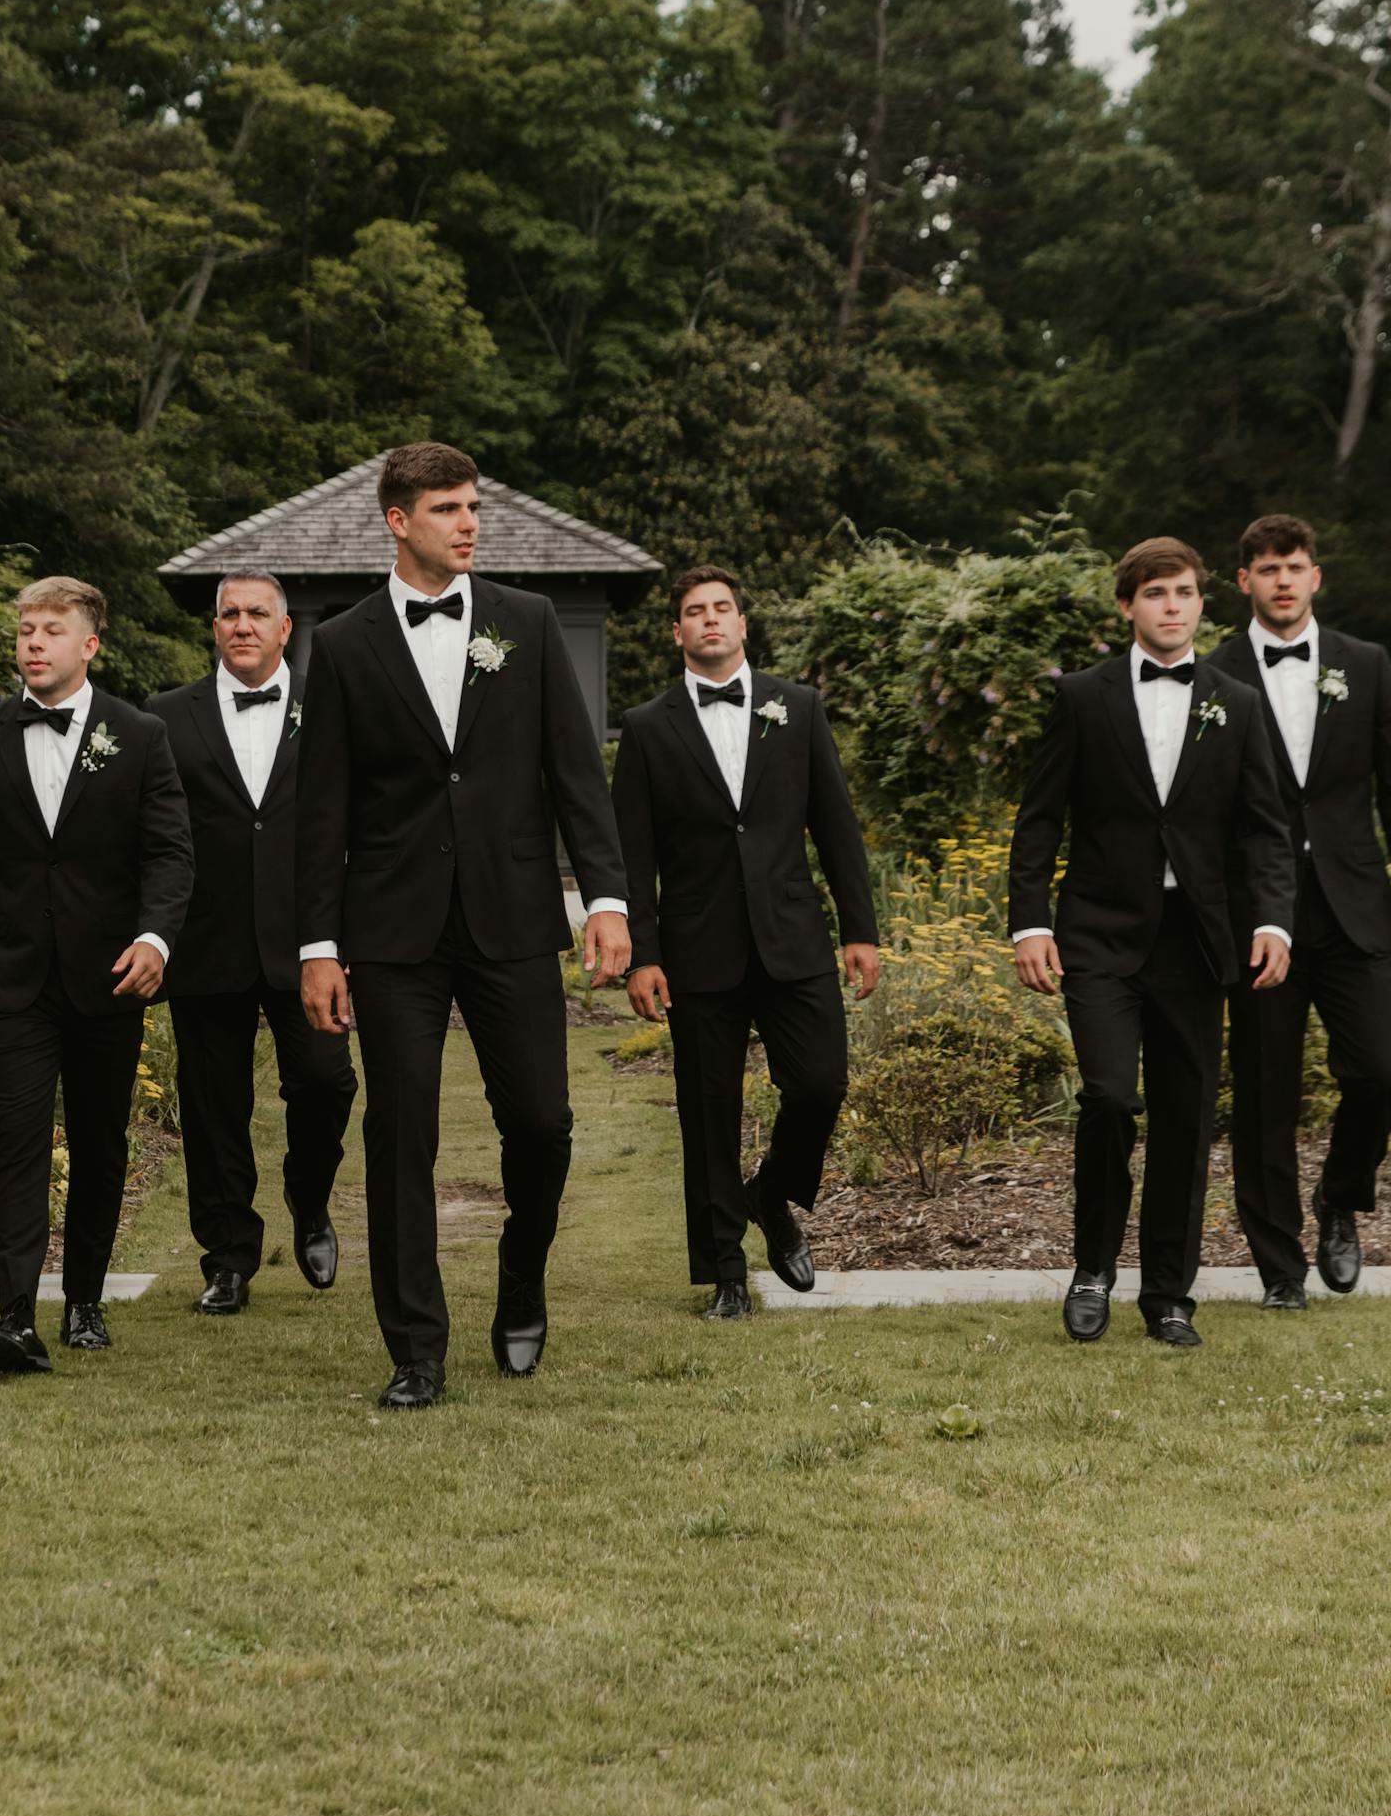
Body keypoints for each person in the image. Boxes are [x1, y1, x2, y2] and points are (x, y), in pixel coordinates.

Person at [295, 442, 631, 1408]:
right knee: (401, 1134)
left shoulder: (524, 623)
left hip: (514, 913)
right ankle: (416, 1349)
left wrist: (605, 896)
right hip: (390, 929)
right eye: (448, 508)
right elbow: (323, 809)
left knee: (543, 1121)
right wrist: (320, 946)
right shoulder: (347, 642)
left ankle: (521, 1278)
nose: (470, 523)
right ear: (398, 521)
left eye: (473, 506)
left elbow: (576, 770)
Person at [1008, 538, 1294, 1349]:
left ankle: (1169, 1293)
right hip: (1098, 933)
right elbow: (1039, 821)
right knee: (1108, 1095)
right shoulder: (1081, 698)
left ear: (1204, 603)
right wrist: (1029, 921)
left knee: (1185, 1117)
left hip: (1200, 943)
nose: (1173, 605)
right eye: (1157, 592)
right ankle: (1092, 1266)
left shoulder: (1236, 702)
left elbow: (1267, 830)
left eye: (1185, 592)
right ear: (1128, 605)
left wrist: (1272, 920)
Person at [0, 577, 192, 1377]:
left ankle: (84, 1301)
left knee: (103, 1145)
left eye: (51, 631)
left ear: (89, 645)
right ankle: (12, 1315)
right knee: (17, 1141)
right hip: (9, 981)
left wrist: (155, 939)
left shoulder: (139, 736)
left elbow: (171, 853)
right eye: (26, 631)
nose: (34, 643)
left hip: (110, 979)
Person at [614, 565, 881, 1318]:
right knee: (708, 1112)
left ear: (741, 623)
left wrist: (860, 929)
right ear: (677, 631)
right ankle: (725, 1272)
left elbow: (836, 827)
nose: (709, 620)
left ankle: (771, 1192)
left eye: (721, 608)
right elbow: (632, 856)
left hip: (793, 937)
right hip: (696, 947)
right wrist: (643, 951)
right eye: (694, 611)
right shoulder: (645, 727)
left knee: (822, 1081)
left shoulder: (798, 708)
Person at [1205, 515, 1391, 1301]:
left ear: (1316, 576)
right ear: (1244, 580)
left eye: (1294, 567)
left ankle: (1341, 1198)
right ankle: (1280, 1268)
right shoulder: (1213, 673)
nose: (1281, 580)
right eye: (1267, 568)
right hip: (1255, 920)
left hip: (1358, 907)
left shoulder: (1365, 665)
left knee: (1380, 1072)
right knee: (1266, 1096)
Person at [144, 572, 359, 1314]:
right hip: (205, 939)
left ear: (285, 626)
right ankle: (228, 1256)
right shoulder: (166, 717)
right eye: (229, 613)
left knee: (328, 1080)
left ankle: (309, 1197)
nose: (242, 624)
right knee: (212, 1108)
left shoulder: (331, 708)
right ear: (213, 627)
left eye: (256, 613)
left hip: (309, 940)